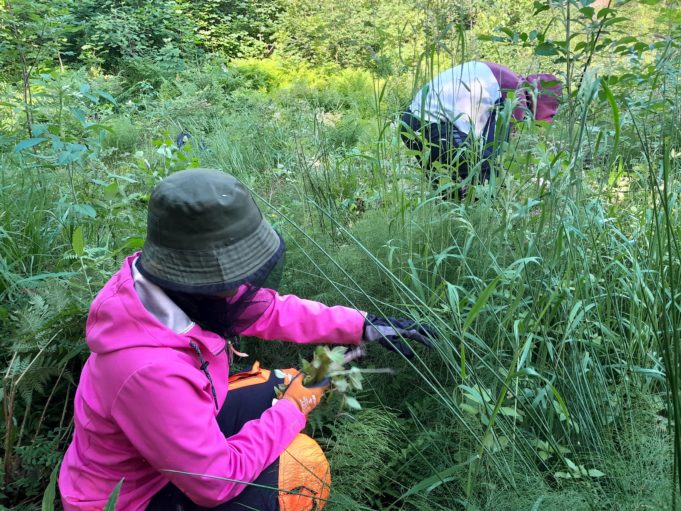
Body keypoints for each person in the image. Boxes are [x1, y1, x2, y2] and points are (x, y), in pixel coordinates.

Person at [58, 168, 433, 511]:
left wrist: (362, 325)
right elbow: (217, 481)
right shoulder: (148, 370)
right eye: (231, 279)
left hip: (159, 454)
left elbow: (267, 309)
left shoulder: (162, 285)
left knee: (276, 383)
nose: (241, 288)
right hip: (131, 499)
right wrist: (296, 405)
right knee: (301, 471)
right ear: (195, 277)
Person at [400, 60, 562, 199]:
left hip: (410, 122)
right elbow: (492, 154)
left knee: (449, 189)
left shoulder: (504, 77)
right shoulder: (516, 96)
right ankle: (477, 224)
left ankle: (447, 227)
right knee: (485, 177)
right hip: (434, 125)